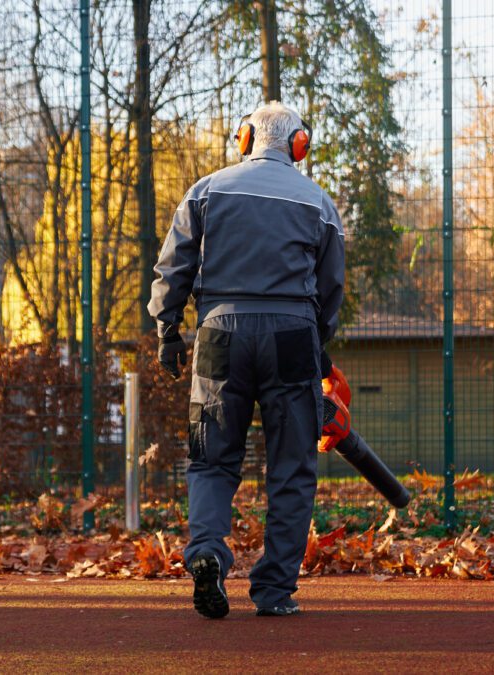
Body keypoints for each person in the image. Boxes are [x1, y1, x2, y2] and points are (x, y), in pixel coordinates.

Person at [148, 101, 344, 618]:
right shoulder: (319, 203)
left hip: (220, 334)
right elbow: (331, 289)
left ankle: (208, 553)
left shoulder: (207, 190)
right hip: (292, 336)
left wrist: (168, 329)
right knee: (292, 467)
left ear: (245, 139)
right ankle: (275, 592)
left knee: (211, 458)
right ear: (299, 145)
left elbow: (174, 266)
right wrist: (317, 354)